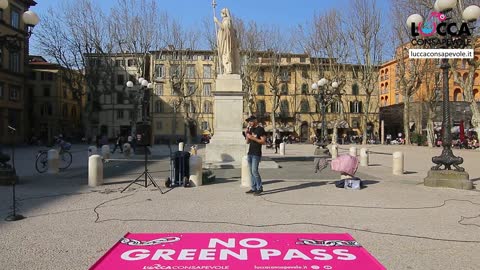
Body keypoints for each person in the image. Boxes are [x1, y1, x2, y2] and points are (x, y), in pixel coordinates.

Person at [244, 115, 266, 196]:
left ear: (255, 121)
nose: (249, 123)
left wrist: (253, 138)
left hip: (256, 153)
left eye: (251, 121)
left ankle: (259, 188)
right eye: (249, 121)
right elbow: (247, 142)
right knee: (251, 172)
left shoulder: (260, 129)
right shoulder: (251, 129)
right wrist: (247, 134)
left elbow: (263, 142)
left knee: (254, 171)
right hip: (250, 153)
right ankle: (253, 188)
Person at [214, 8, 240, 75]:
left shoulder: (227, 21)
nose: (220, 14)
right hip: (225, 41)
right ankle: (226, 70)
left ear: (224, 13)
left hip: (226, 42)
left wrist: (217, 21)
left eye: (221, 13)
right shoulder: (226, 20)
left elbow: (224, 28)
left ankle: (228, 69)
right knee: (225, 56)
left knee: (226, 56)